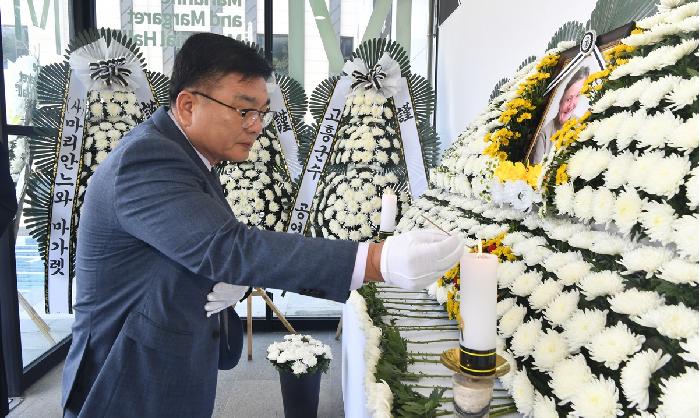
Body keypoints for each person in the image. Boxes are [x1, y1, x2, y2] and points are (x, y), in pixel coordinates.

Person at [61, 33, 463, 418]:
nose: (257, 125)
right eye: (243, 110)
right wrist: (375, 259)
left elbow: (192, 246)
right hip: (128, 381)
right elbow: (226, 246)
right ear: (187, 105)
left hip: (165, 361)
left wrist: (231, 277)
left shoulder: (185, 155)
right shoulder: (147, 160)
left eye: (262, 112)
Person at [529, 66, 590, 164]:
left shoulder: (582, 124)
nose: (571, 106)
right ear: (560, 99)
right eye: (568, 99)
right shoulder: (544, 135)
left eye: (577, 96)